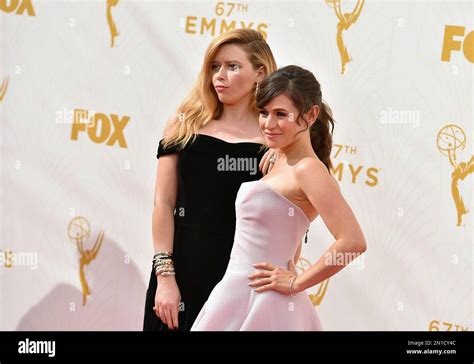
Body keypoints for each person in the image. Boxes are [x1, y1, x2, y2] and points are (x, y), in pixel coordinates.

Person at [191, 65, 367, 331]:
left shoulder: (309, 169)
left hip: (263, 300)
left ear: (310, 115)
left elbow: (353, 242)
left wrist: (297, 283)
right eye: (264, 113)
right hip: (237, 292)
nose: (268, 124)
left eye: (281, 114)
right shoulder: (277, 159)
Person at [143, 29, 278, 331]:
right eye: (214, 67)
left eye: (232, 66)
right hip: (179, 277)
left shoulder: (273, 142)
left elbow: (287, 221)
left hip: (240, 282)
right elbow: (163, 203)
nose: (220, 75)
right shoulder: (184, 124)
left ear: (260, 73)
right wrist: (165, 277)